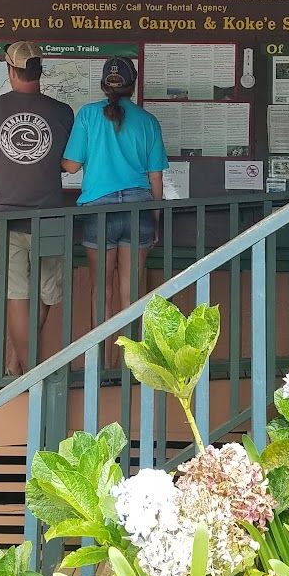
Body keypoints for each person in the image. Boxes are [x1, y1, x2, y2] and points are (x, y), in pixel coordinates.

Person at [0, 41, 75, 376]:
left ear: (9, 69)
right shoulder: (62, 112)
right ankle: (26, 366)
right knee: (47, 293)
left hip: (3, 216)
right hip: (50, 215)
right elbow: (66, 163)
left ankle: (26, 370)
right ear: (40, 70)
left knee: (16, 294)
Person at [62, 57, 167, 359]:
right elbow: (156, 177)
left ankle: (102, 362)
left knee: (101, 289)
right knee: (131, 291)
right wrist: (155, 220)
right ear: (133, 86)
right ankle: (130, 362)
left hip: (98, 211)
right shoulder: (148, 121)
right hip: (139, 210)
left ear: (102, 85)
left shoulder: (87, 115)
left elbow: (70, 166)